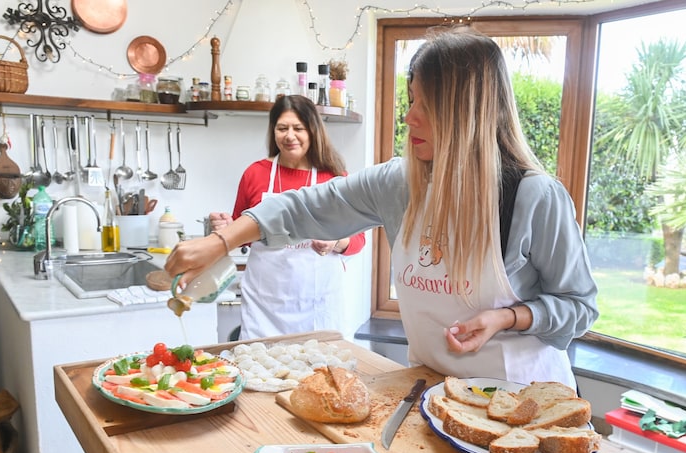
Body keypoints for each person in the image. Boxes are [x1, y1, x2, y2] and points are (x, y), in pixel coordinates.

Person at [167, 27, 598, 388]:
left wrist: (509, 317)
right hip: (433, 389)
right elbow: (304, 207)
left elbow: (578, 307)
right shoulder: (398, 183)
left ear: (465, 113)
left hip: (524, 396)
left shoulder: (534, 197)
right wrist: (221, 241)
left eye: (425, 105)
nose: (409, 118)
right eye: (410, 100)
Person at [208, 95, 366, 339]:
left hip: (317, 305)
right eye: (282, 128)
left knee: (318, 372)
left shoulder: (333, 177)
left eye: (298, 128)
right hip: (265, 306)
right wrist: (229, 227)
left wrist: (335, 242)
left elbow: (358, 240)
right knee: (259, 370)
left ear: (313, 131)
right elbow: (243, 233)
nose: (289, 136)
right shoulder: (255, 174)